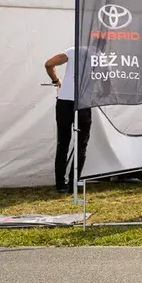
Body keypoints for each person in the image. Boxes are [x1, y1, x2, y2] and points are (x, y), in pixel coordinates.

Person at [44, 47, 91, 194]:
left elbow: (49, 64)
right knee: (81, 144)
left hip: (65, 101)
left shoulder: (73, 51)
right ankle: (72, 184)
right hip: (83, 102)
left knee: (63, 142)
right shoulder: (99, 55)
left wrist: (57, 80)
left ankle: (60, 184)